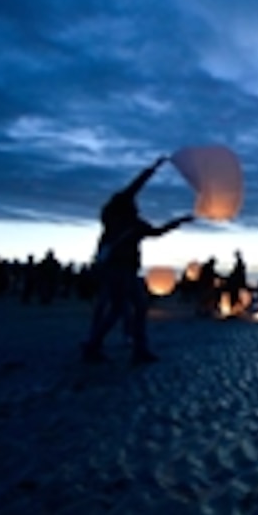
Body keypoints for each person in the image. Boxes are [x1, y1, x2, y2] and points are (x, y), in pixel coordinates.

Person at [81, 156, 194, 365]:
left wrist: (179, 221)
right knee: (122, 308)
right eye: (134, 203)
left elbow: (156, 232)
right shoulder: (117, 215)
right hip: (118, 269)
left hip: (126, 270)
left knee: (135, 307)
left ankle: (134, 349)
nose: (137, 205)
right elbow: (136, 186)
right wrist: (153, 169)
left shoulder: (130, 221)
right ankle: (97, 346)